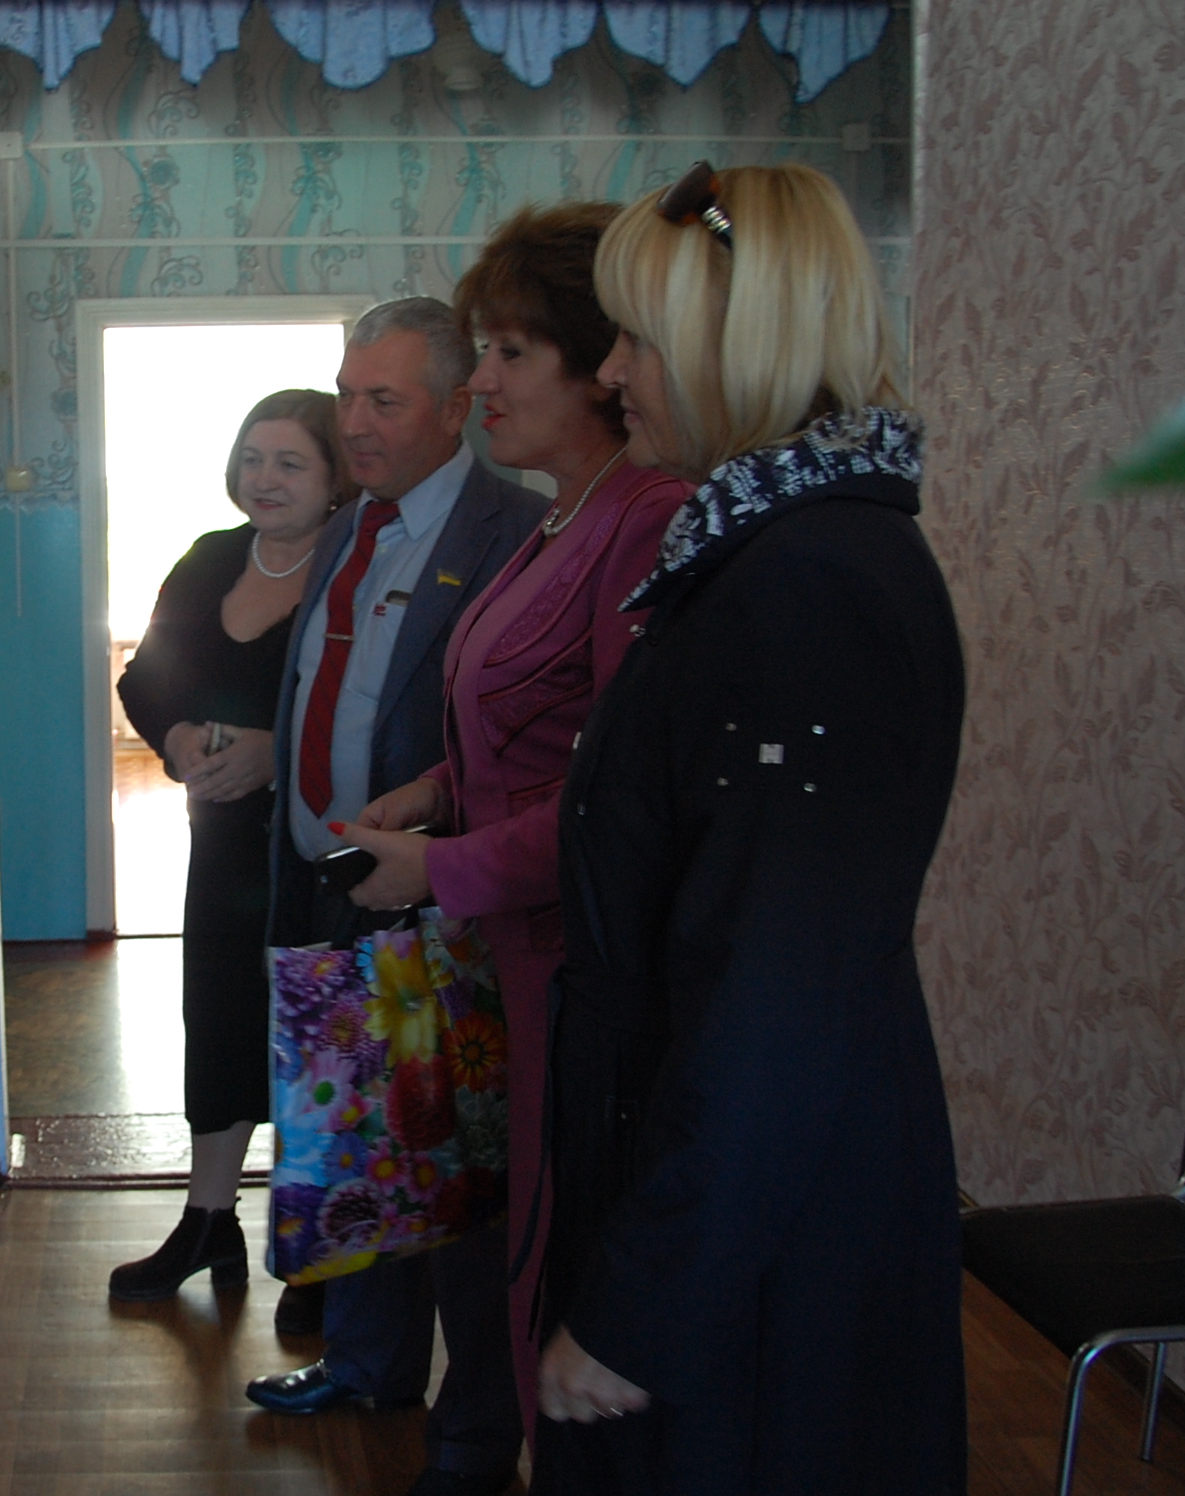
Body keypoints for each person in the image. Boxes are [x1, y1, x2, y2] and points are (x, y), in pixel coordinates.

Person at [533, 162, 967, 1492]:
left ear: (740, 342)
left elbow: (774, 994)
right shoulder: (766, 555)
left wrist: (641, 1300)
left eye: (637, 339)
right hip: (739, 1186)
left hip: (759, 1239)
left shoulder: (809, 586)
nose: (612, 372)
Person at [332, 204, 693, 1449]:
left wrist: (441, 864)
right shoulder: (563, 512)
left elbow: (619, 798)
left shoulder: (647, 517)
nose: (480, 380)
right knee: (503, 1237)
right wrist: (439, 786)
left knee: (558, 1257)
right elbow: (535, 724)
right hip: (507, 954)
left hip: (569, 963)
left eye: (508, 354)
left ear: (603, 367)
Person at [245, 297, 541, 1496]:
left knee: (456, 1172)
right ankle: (368, 1365)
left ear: (457, 404)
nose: (354, 422)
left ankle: (473, 1433)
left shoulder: (513, 529)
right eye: (346, 393)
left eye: (384, 399)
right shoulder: (348, 527)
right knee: (355, 1148)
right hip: (326, 888)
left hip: (439, 900)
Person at [108, 390, 355, 1307]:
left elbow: (383, 715)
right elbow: (147, 678)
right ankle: (208, 1224)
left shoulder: (357, 567)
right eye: (253, 458)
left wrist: (278, 755)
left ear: (334, 477)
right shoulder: (210, 558)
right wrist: (174, 738)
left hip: (319, 853)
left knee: (311, 1039)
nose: (266, 477)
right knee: (217, 1028)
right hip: (220, 849)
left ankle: (317, 1245)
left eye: (291, 461)